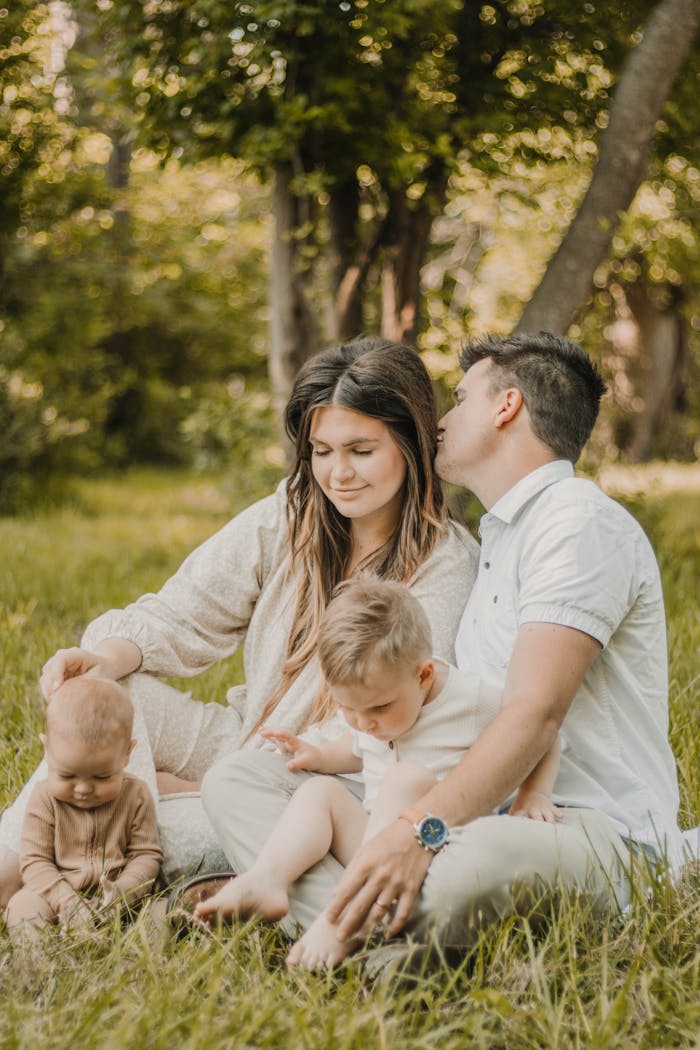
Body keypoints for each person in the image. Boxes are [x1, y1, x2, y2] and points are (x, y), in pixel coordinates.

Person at [202, 331, 682, 960]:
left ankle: (352, 930)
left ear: (505, 406)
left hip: (578, 823)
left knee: (472, 859)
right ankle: (378, 942)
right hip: (471, 808)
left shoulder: (576, 524)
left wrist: (418, 830)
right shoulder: (502, 538)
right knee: (238, 781)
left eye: (459, 399)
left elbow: (536, 715)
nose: (442, 421)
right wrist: (358, 774)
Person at [0, 336, 479, 906]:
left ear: (410, 443)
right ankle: (54, 861)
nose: (338, 473)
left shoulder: (446, 562)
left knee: (165, 826)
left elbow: (389, 720)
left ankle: (84, 866)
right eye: (321, 452)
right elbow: (184, 611)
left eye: (361, 450)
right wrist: (105, 658)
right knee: (103, 694)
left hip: (322, 788)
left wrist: (225, 785)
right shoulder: (292, 512)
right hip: (240, 739)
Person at [194, 577, 561, 969]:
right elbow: (358, 748)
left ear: (424, 676)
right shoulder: (368, 713)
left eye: (379, 709)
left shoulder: (472, 700)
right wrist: (318, 755)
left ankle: (343, 921)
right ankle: (268, 878)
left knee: (408, 778)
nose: (364, 723)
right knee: (320, 792)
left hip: (438, 848)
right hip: (376, 839)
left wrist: (534, 793)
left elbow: (542, 732)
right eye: (349, 710)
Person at [4, 677, 162, 937]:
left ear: (127, 753)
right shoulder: (44, 797)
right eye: (67, 776)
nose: (83, 789)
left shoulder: (136, 795)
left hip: (118, 897)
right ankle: (37, 963)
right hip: (55, 894)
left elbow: (147, 855)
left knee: (159, 910)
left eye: (102, 777)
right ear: (47, 750)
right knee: (21, 906)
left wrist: (123, 892)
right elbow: (34, 861)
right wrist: (66, 900)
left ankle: (144, 967)